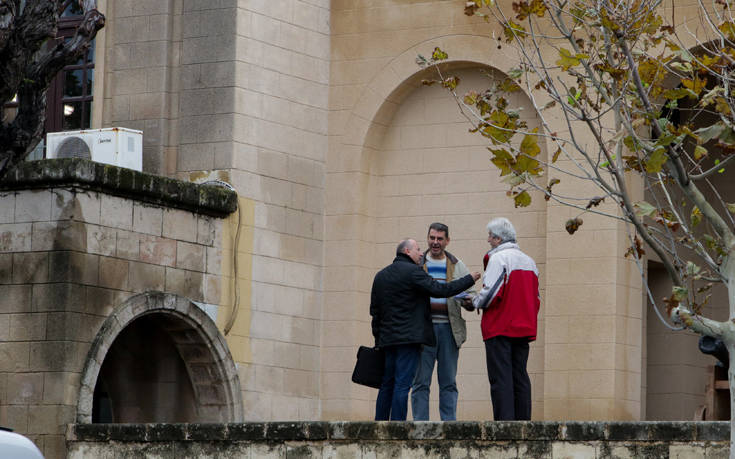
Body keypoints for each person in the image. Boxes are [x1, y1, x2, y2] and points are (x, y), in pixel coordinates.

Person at [370, 238, 481, 421]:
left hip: (387, 341)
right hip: (408, 340)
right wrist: (469, 280)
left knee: (387, 384)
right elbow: (440, 290)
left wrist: (378, 340)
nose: (421, 253)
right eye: (418, 250)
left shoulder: (380, 275)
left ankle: (379, 424)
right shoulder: (414, 273)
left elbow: (375, 312)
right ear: (407, 251)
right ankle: (398, 427)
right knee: (402, 385)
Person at [473, 217, 540, 421]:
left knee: (500, 377)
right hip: (523, 327)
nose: (488, 240)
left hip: (500, 326)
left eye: (490, 236)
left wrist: (475, 301)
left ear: (498, 238)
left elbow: (492, 293)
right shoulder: (530, 262)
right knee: (520, 375)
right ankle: (523, 422)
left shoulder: (498, 259)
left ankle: (504, 423)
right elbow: (536, 298)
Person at [411, 222, 476, 421]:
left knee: (448, 382)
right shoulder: (417, 264)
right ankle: (420, 426)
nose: (435, 242)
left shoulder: (457, 264)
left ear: (447, 240)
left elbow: (472, 295)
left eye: (440, 239)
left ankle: (449, 426)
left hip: (449, 330)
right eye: (432, 238)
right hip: (424, 331)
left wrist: (468, 302)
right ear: (427, 238)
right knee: (420, 382)